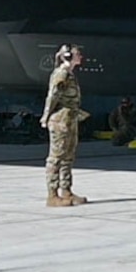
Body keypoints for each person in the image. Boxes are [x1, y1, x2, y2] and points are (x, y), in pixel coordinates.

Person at [43, 44, 91, 206]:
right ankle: (52, 195)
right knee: (56, 158)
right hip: (60, 121)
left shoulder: (70, 74)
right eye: (78, 54)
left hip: (70, 120)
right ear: (68, 56)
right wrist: (46, 116)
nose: (81, 57)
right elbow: (52, 96)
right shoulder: (61, 74)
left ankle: (66, 191)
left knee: (68, 157)